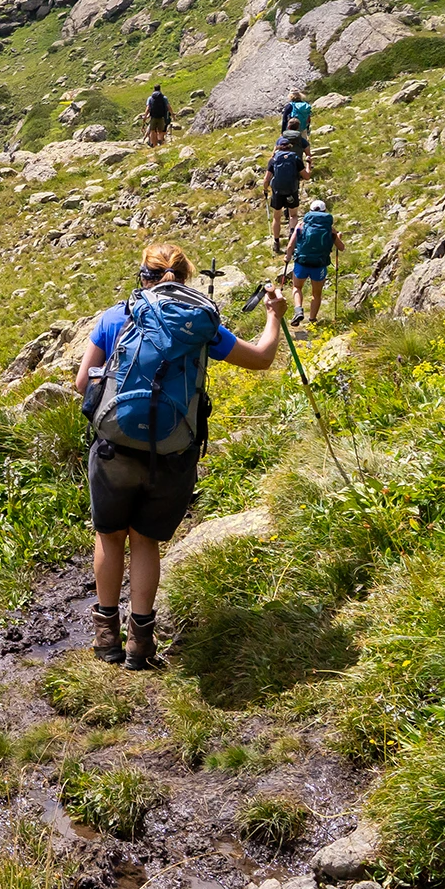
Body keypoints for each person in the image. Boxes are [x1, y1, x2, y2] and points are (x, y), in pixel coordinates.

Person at [74, 243, 286, 669]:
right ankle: (139, 645)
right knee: (145, 540)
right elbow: (262, 359)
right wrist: (274, 316)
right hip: (173, 451)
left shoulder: (118, 315)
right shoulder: (198, 323)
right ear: (186, 279)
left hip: (115, 447)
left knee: (110, 536)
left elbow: (82, 384)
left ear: (143, 275)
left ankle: (105, 639)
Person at [284, 199, 343, 326]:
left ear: (310, 211)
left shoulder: (301, 225)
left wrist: (287, 257)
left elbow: (290, 246)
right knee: (316, 294)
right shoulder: (329, 228)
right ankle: (312, 320)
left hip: (302, 262)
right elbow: (341, 247)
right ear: (324, 211)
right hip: (319, 265)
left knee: (297, 287)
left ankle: (298, 310)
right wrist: (338, 237)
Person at [264, 129, 311, 254]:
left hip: (278, 191)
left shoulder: (273, 160)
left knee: (277, 217)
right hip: (291, 190)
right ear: (290, 147)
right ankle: (292, 236)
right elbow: (306, 176)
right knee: (293, 215)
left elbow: (266, 179)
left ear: (279, 147)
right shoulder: (295, 158)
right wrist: (308, 164)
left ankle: (276, 242)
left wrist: (265, 189)